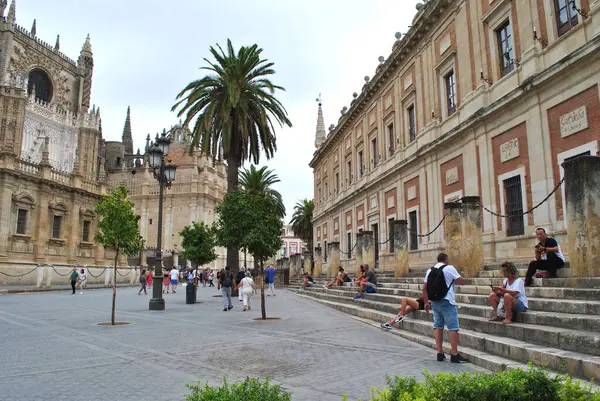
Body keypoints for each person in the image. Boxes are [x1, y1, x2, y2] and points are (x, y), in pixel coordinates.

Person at [423, 253, 469, 363]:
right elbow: (461, 281)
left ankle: (439, 352)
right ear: (446, 260)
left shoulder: (430, 270)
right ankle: (454, 353)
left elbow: (424, 288)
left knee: (438, 326)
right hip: (447, 300)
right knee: (453, 327)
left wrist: (426, 302)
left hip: (434, 301)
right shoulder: (449, 268)